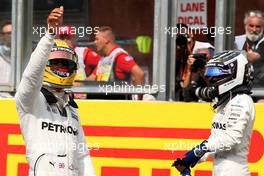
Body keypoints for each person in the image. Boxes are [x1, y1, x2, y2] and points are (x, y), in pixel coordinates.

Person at [15, 7, 96, 176]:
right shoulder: (30, 99)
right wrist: (50, 35)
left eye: (67, 64)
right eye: (57, 62)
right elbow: (31, 76)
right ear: (46, 63)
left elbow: (82, 156)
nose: (63, 67)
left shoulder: (71, 108)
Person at [172, 50, 255, 176]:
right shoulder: (225, 101)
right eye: (211, 74)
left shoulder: (241, 100)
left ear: (234, 74)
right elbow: (216, 139)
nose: (212, 79)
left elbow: (231, 138)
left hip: (235, 171)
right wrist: (189, 161)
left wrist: (199, 150)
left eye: (217, 75)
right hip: (220, 170)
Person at [87, 26, 145, 99]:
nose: (95, 42)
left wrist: (139, 99)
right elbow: (92, 77)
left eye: (97, 39)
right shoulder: (103, 59)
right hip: (104, 103)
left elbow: (139, 74)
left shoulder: (120, 56)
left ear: (106, 40)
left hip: (118, 105)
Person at [175, 23, 214, 101]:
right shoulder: (180, 55)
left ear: (191, 34)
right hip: (188, 97)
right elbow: (184, 88)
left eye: (184, 35)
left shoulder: (205, 48)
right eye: (178, 37)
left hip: (205, 96)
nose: (183, 38)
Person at [234, 10, 264, 88]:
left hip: (260, 88)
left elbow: (253, 57)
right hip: (240, 87)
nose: (254, 30)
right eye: (251, 26)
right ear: (245, 25)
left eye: (258, 26)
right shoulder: (236, 41)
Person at [0, 21, 12, 98]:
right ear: (2, 36)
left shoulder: (25, 55)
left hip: (18, 98)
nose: (11, 36)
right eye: (8, 33)